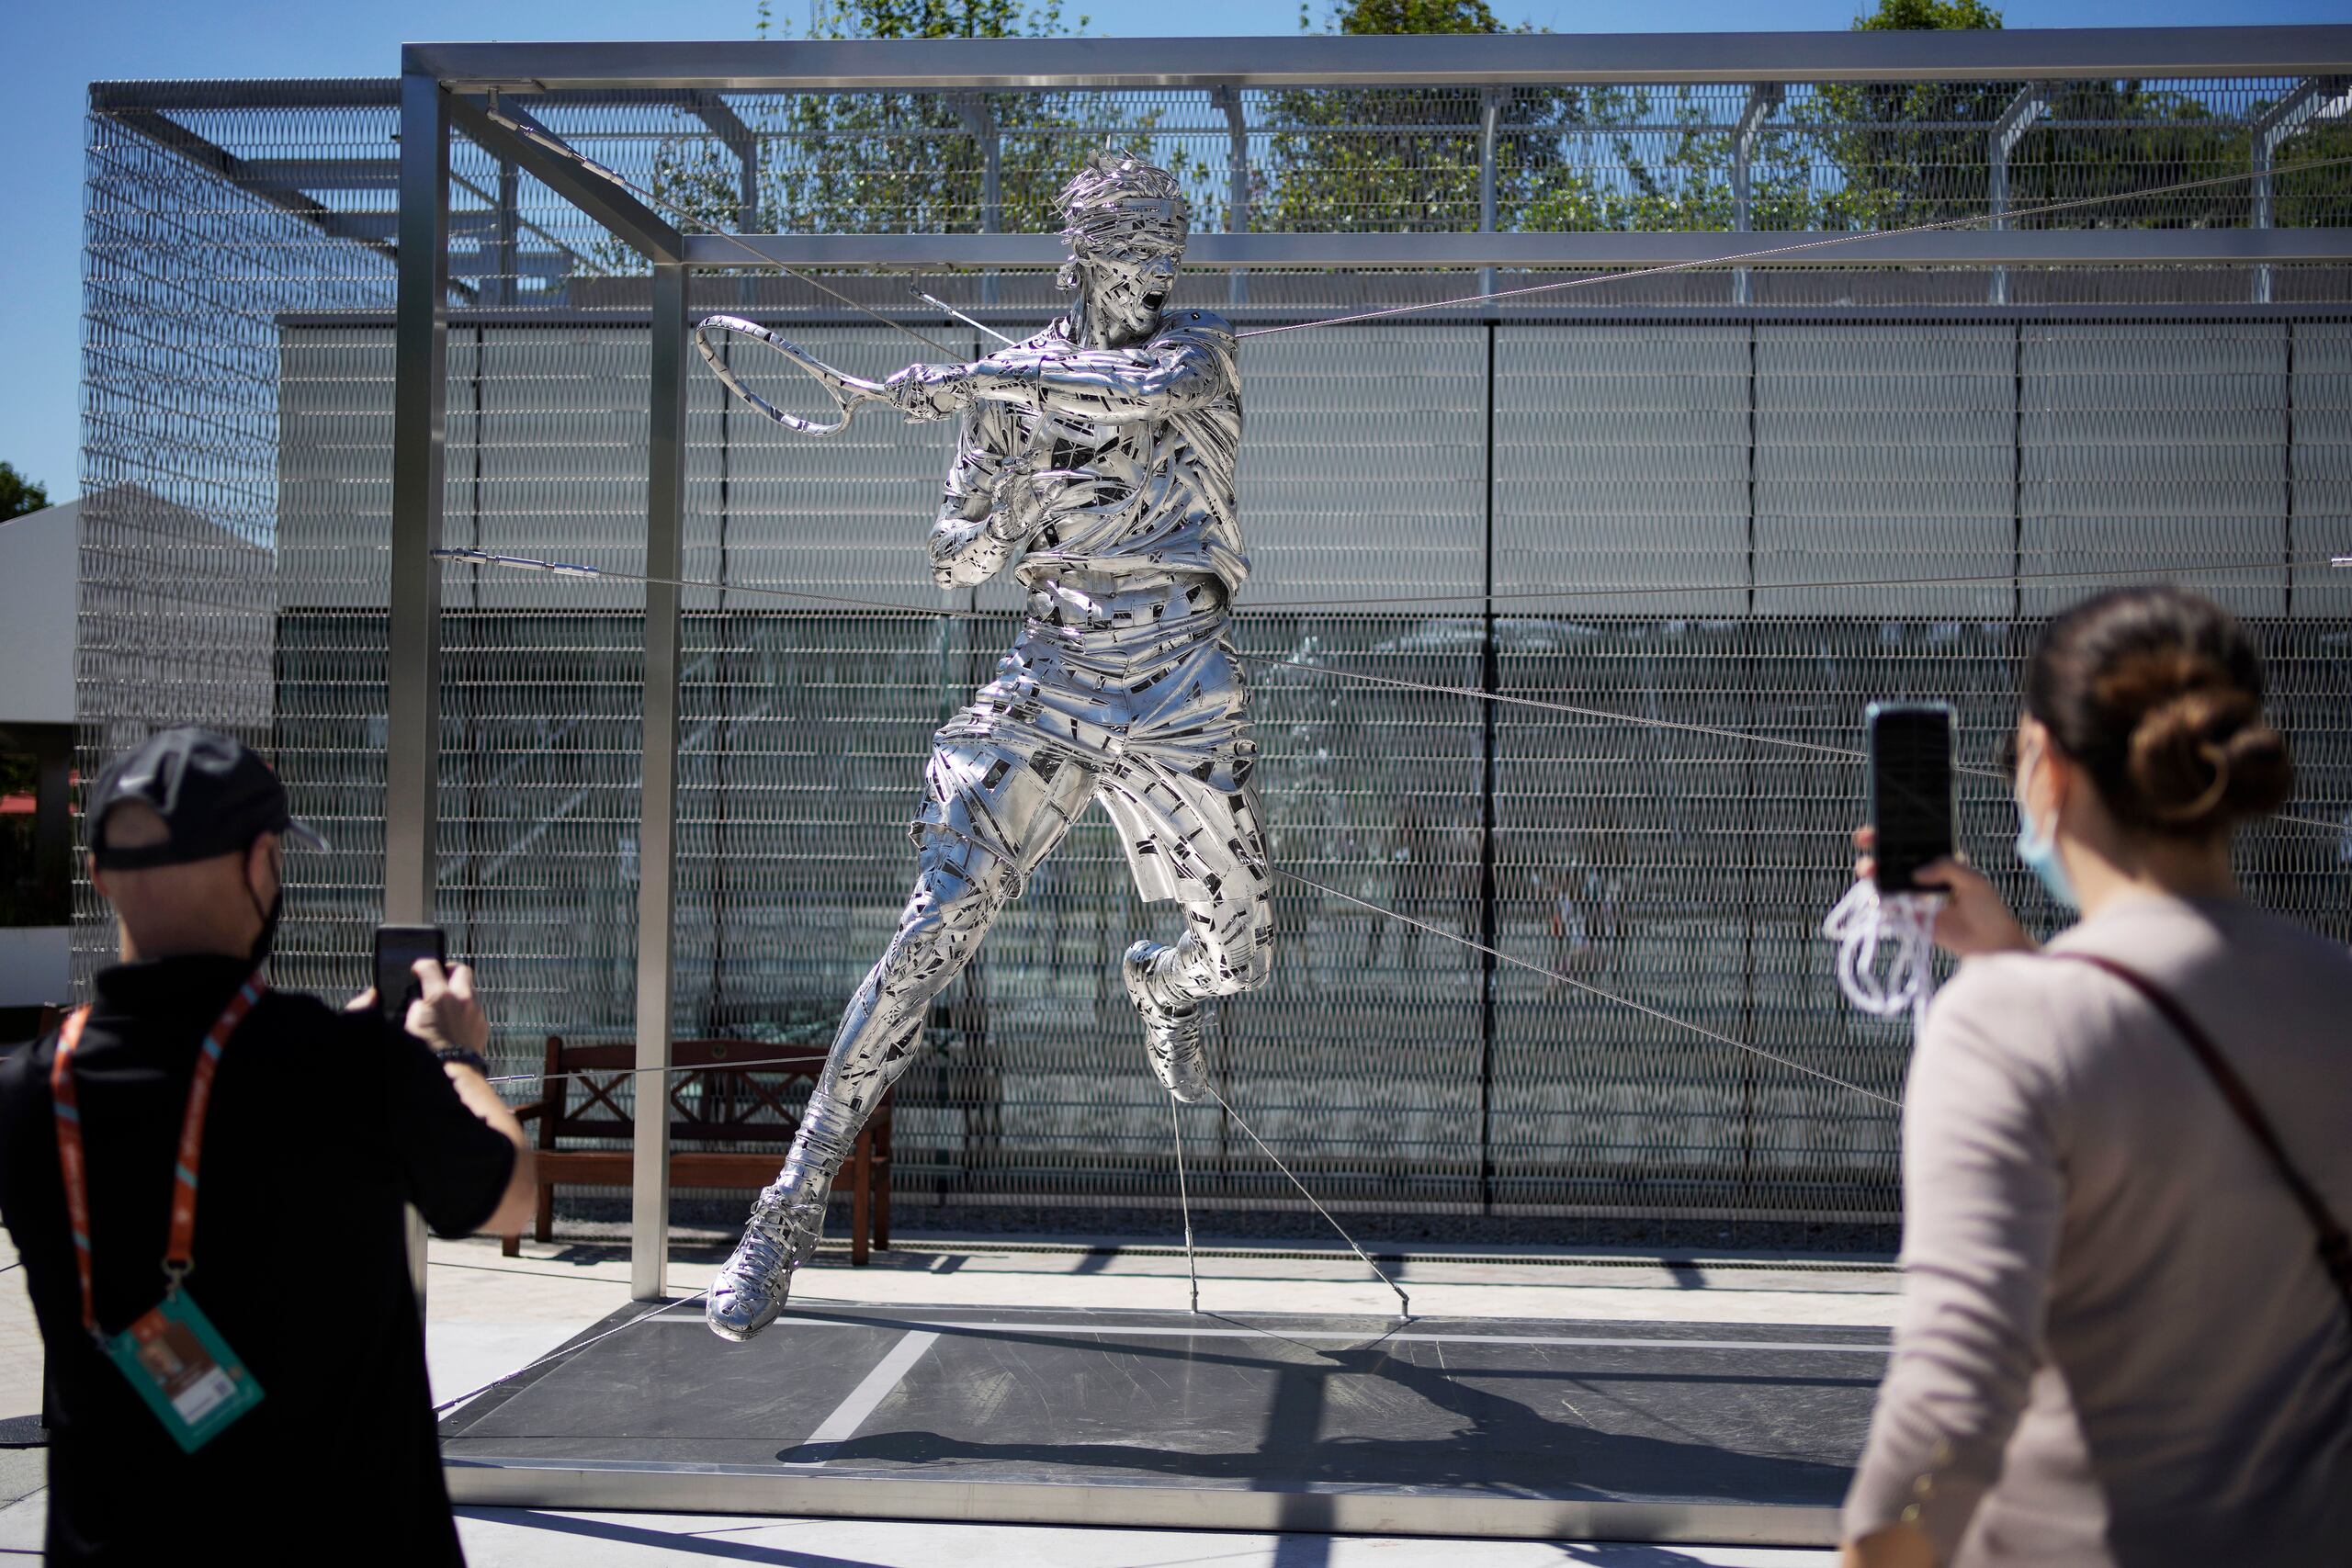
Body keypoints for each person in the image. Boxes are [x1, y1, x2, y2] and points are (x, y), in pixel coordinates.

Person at [705, 149, 1272, 1341]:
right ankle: (790, 1196)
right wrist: (988, 475)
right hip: (1053, 676)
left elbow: (1128, 392)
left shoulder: (1199, 348)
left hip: (1177, 680)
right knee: (932, 929)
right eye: (1129, 262)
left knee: (1240, 956)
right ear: (1081, 257)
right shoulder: (1011, 394)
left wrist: (977, 379)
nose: (1151, 283)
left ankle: (1161, 984)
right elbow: (958, 559)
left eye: (1165, 260)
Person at [1838, 588, 2352, 1568]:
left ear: (2047, 765)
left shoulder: (2004, 1028)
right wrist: (2013, 957)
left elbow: (1951, 1401)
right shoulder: (2334, 997)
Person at [0, 728, 535, 1565]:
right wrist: (451, 1059)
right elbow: (509, 1195)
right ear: (260, 865)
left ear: (101, 876)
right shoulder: (358, 1068)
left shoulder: (30, 1091)